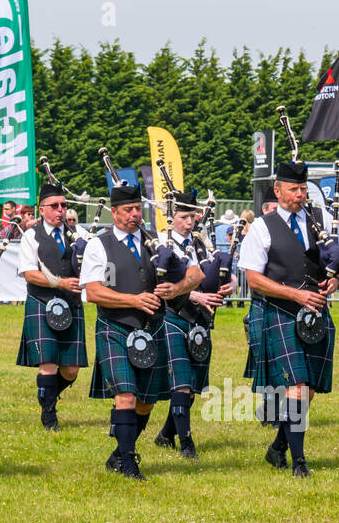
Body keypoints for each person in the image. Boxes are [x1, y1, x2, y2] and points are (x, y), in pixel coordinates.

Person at [239, 159, 339, 477]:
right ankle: (300, 463)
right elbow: (253, 278)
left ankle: (279, 446)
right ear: (278, 191)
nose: (300, 194)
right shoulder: (263, 227)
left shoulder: (323, 220)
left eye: (304, 189)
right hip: (281, 312)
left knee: (309, 389)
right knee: (297, 383)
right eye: (293, 189)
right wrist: (295, 295)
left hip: (317, 312)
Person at [82, 180, 169, 481]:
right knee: (126, 396)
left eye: (138, 209)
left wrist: (180, 286)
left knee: (147, 401)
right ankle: (129, 462)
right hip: (115, 327)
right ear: (114, 212)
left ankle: (119, 452)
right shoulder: (100, 245)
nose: (135, 215)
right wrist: (133, 300)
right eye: (129, 210)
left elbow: (189, 273)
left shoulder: (154, 242)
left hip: (152, 329)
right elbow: (94, 292)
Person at [154, 191, 230, 459]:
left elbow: (210, 277)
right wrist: (195, 294)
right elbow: (162, 285)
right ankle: (186, 444)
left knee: (192, 389)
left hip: (200, 321)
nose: (189, 222)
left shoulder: (201, 244)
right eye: (183, 217)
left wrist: (227, 286)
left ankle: (165, 435)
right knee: (181, 385)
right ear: (171, 218)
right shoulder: (162, 244)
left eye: (192, 216)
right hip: (174, 316)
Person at [16, 180, 89, 431]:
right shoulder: (30, 236)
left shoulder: (77, 235)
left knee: (71, 370)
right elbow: (29, 274)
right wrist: (61, 283)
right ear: (42, 209)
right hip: (42, 303)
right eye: (55, 206)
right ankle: (49, 415)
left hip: (71, 305)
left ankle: (48, 397)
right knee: (48, 363)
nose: (61, 210)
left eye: (64, 205)